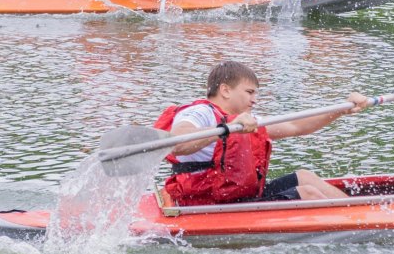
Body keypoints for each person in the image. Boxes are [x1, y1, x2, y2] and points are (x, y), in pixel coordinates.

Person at [154, 61, 369, 205]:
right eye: (249, 92)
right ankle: (357, 223)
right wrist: (225, 130)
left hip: (236, 195)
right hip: (206, 200)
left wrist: (341, 109)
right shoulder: (200, 112)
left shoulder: (244, 121)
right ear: (225, 90)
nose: (254, 99)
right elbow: (177, 142)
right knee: (308, 194)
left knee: (305, 177)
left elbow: (296, 126)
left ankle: (360, 214)